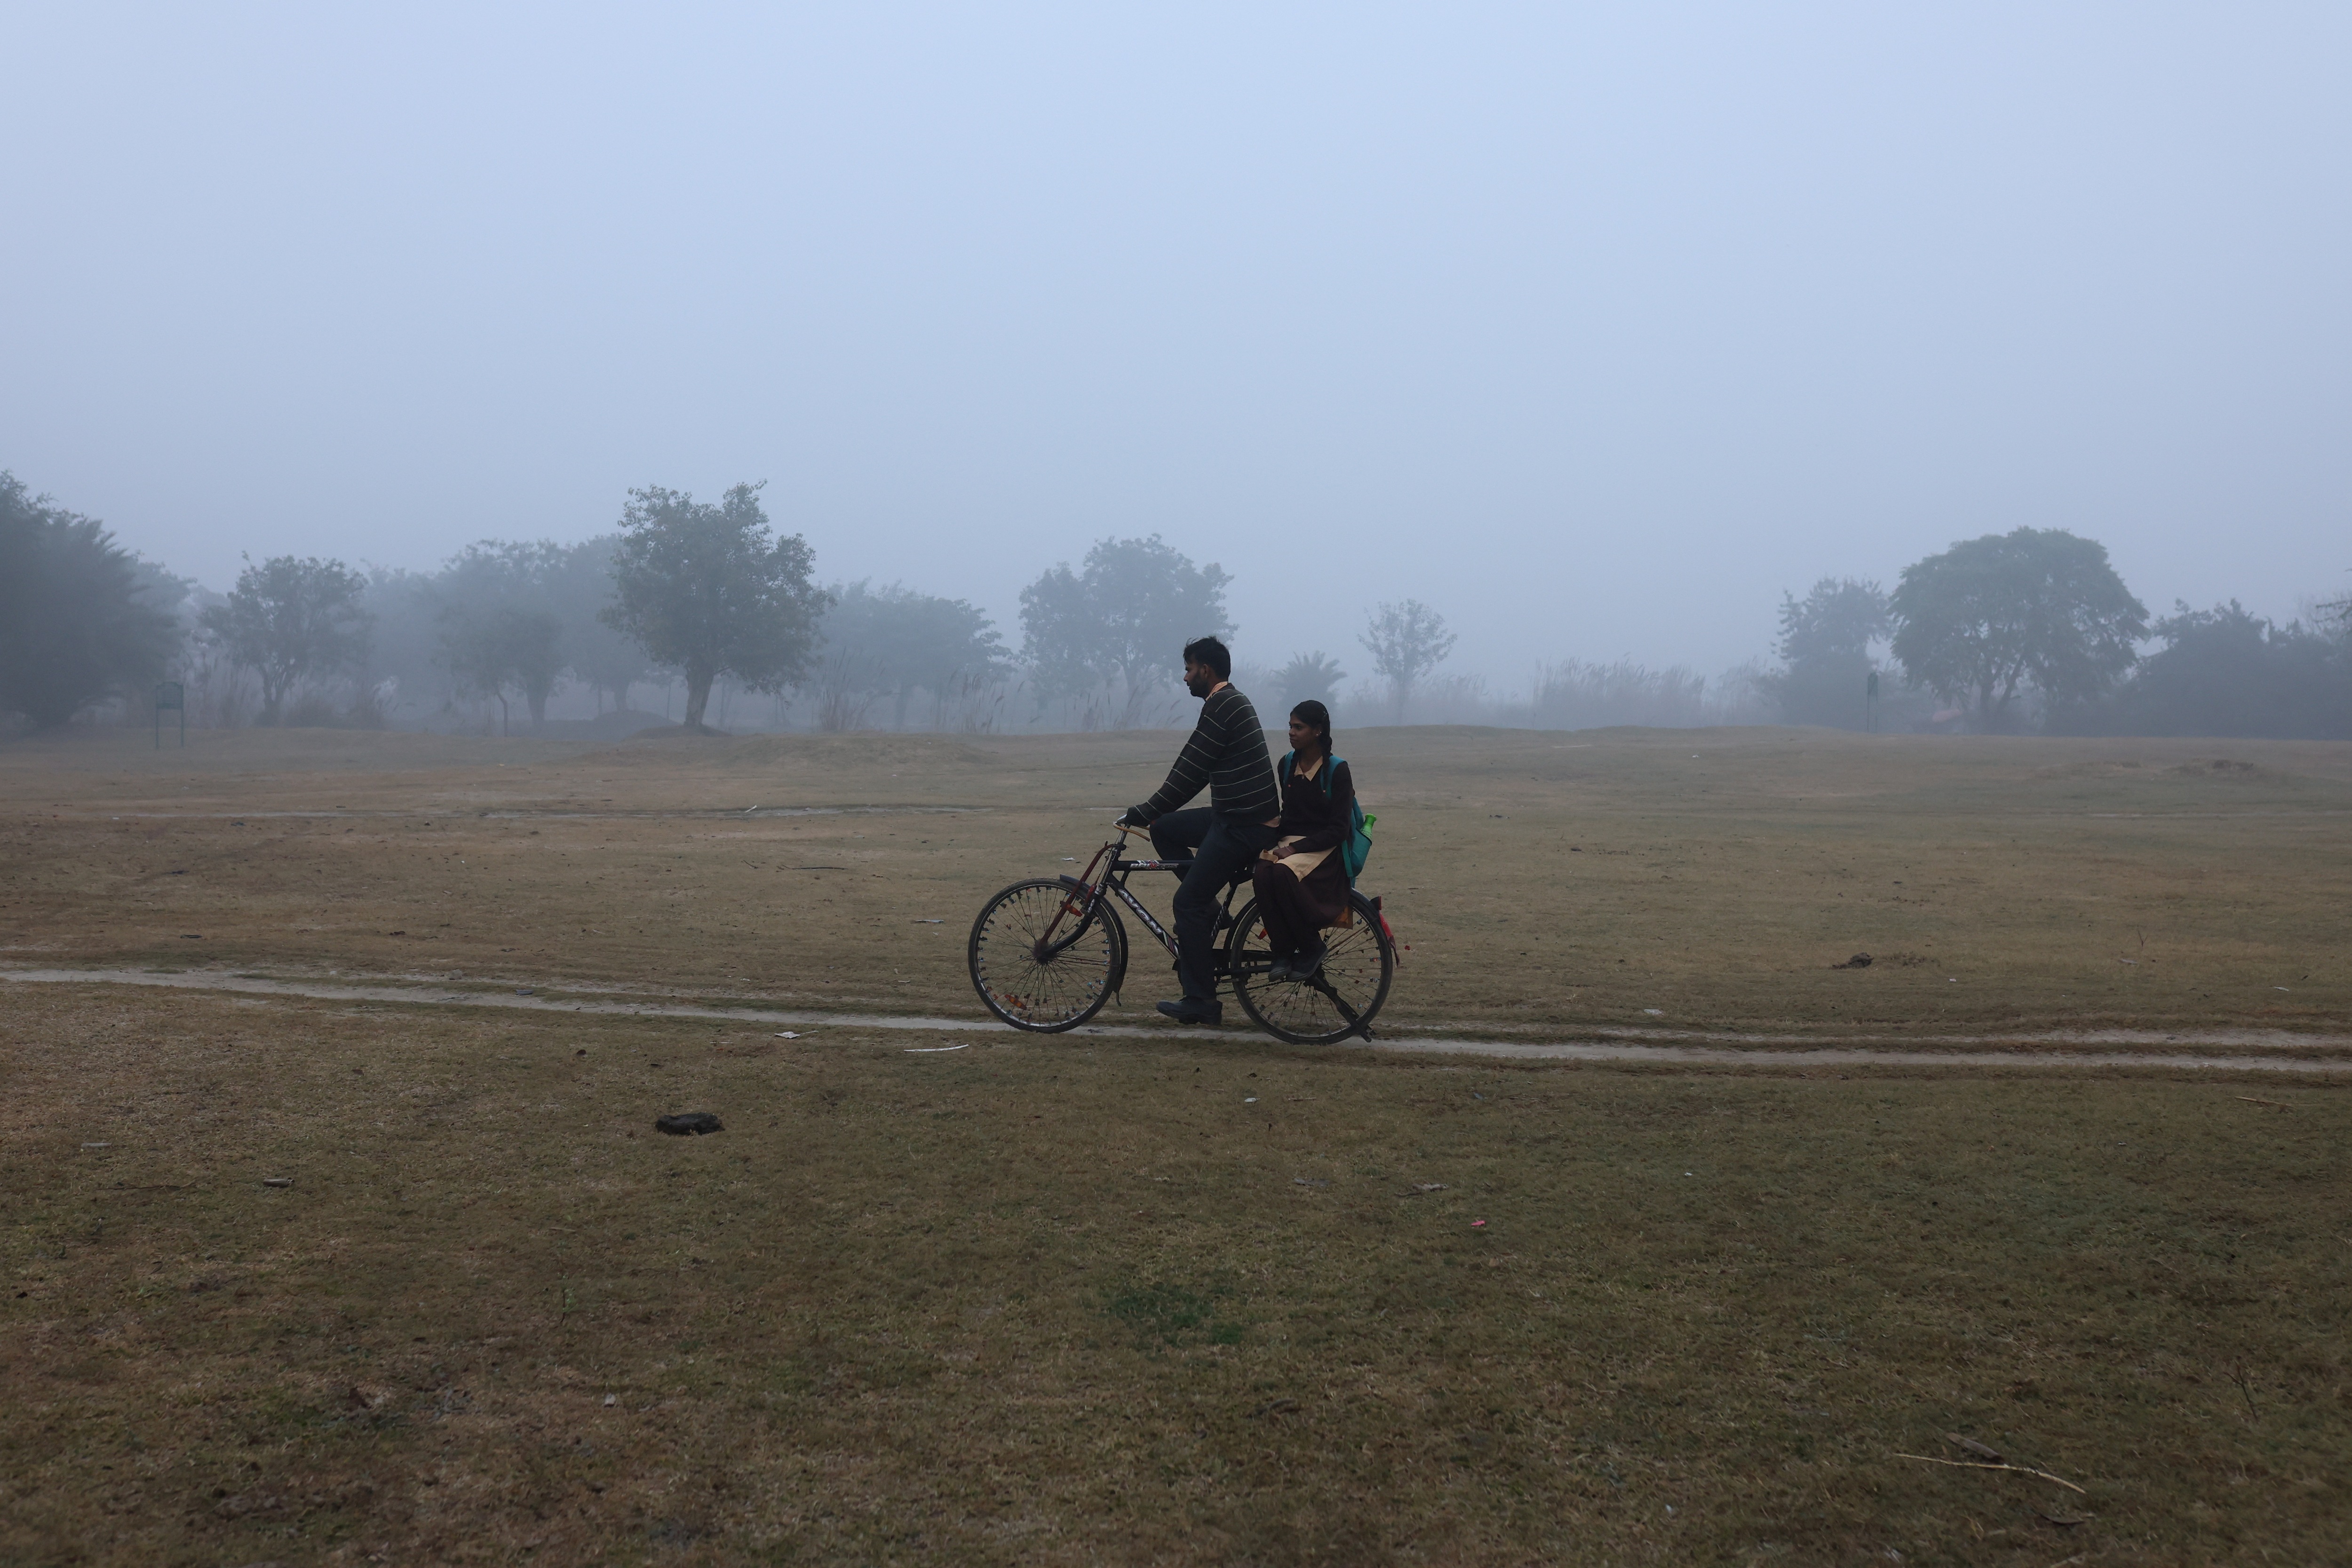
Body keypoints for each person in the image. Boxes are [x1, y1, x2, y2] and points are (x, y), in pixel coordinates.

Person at [1117, 636, 1280, 1025]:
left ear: (1206, 670)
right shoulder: (1226, 702)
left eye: (1189, 669)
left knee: (1185, 903)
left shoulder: (1223, 705)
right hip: (1234, 815)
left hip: (1245, 826)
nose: (1185, 677)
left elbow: (1189, 773)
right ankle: (1210, 911)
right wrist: (1153, 813)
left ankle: (1201, 998)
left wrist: (1144, 808)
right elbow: (1192, 763)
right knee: (1165, 828)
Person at [1250, 701, 1356, 981]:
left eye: (1299, 727)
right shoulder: (1287, 764)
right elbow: (1288, 816)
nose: (1291, 733)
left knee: (1283, 872)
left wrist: (1295, 849)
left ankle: (1311, 946)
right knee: (1261, 873)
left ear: (1318, 731)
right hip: (1290, 844)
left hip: (1324, 848)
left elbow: (1339, 829)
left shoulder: (1337, 770)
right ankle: (1282, 951)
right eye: (1290, 727)